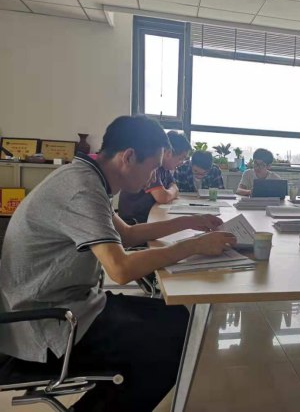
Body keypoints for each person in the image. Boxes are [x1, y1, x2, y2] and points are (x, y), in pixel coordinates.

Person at [0, 116, 237, 412]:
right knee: (174, 341)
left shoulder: (86, 176)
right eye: (152, 167)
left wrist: (189, 222)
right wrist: (193, 246)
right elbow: (120, 269)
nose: (153, 177)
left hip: (69, 306)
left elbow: (126, 234)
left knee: (179, 320)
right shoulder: (81, 189)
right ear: (129, 157)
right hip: (48, 326)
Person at [118, 130, 191, 224]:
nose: (182, 163)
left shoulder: (167, 169)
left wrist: (170, 192)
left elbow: (175, 187)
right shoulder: (152, 166)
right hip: (134, 221)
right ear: (168, 153)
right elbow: (162, 197)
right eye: (181, 159)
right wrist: (172, 192)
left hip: (149, 216)